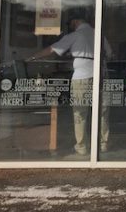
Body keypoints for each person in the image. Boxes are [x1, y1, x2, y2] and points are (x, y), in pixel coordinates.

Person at [29, 11, 110, 156]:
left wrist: (33, 57)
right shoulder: (99, 34)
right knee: (102, 112)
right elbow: (110, 53)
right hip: (102, 75)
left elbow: (52, 49)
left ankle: (82, 146)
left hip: (82, 76)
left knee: (80, 112)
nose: (70, 26)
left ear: (75, 22)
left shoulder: (75, 35)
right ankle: (103, 144)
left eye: (70, 23)